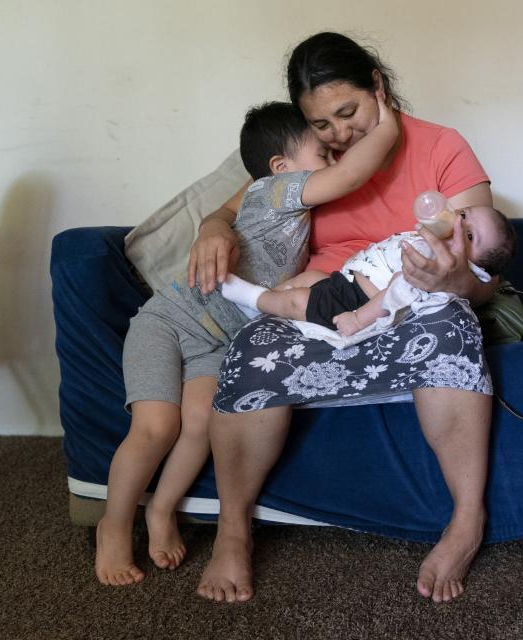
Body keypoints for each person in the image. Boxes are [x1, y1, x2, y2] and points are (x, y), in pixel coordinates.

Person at [190, 32, 499, 604]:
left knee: (452, 326)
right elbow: (240, 203)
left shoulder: (441, 147)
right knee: (255, 347)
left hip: (409, 301)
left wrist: (450, 281)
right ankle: (233, 533)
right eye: (322, 124)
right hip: (325, 305)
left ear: (377, 87)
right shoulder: (317, 160)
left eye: (348, 112)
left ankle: (465, 521)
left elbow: (485, 267)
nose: (337, 135)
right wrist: (212, 229)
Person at [94, 93, 398, 586]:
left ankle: (161, 511)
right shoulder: (274, 192)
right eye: (321, 153)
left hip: (219, 343)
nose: (331, 159)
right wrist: (385, 125)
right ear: (281, 167)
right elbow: (347, 177)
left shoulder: (294, 210)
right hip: (171, 321)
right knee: (156, 426)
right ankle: (114, 523)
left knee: (200, 426)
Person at [221, 204, 516, 346]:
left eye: (469, 235)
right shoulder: (432, 241)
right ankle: (257, 311)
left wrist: (358, 318)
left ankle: (246, 294)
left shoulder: (433, 268)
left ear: (476, 267)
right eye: (463, 214)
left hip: (356, 303)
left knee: (299, 300)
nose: (457, 223)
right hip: (346, 281)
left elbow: (395, 292)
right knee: (309, 279)